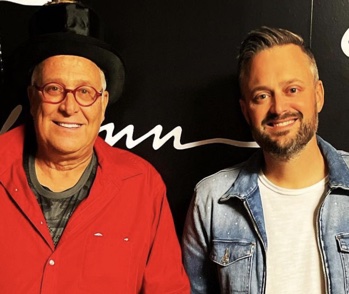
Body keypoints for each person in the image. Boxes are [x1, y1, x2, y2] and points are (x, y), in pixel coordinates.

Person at [0, 1, 189, 293]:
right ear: (32, 97)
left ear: (102, 105)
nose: (69, 106)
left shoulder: (143, 184)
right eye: (54, 89)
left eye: (85, 92)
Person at [182, 26, 349, 294]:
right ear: (246, 111)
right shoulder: (212, 200)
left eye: (292, 89)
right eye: (262, 95)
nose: (279, 108)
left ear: (318, 95)